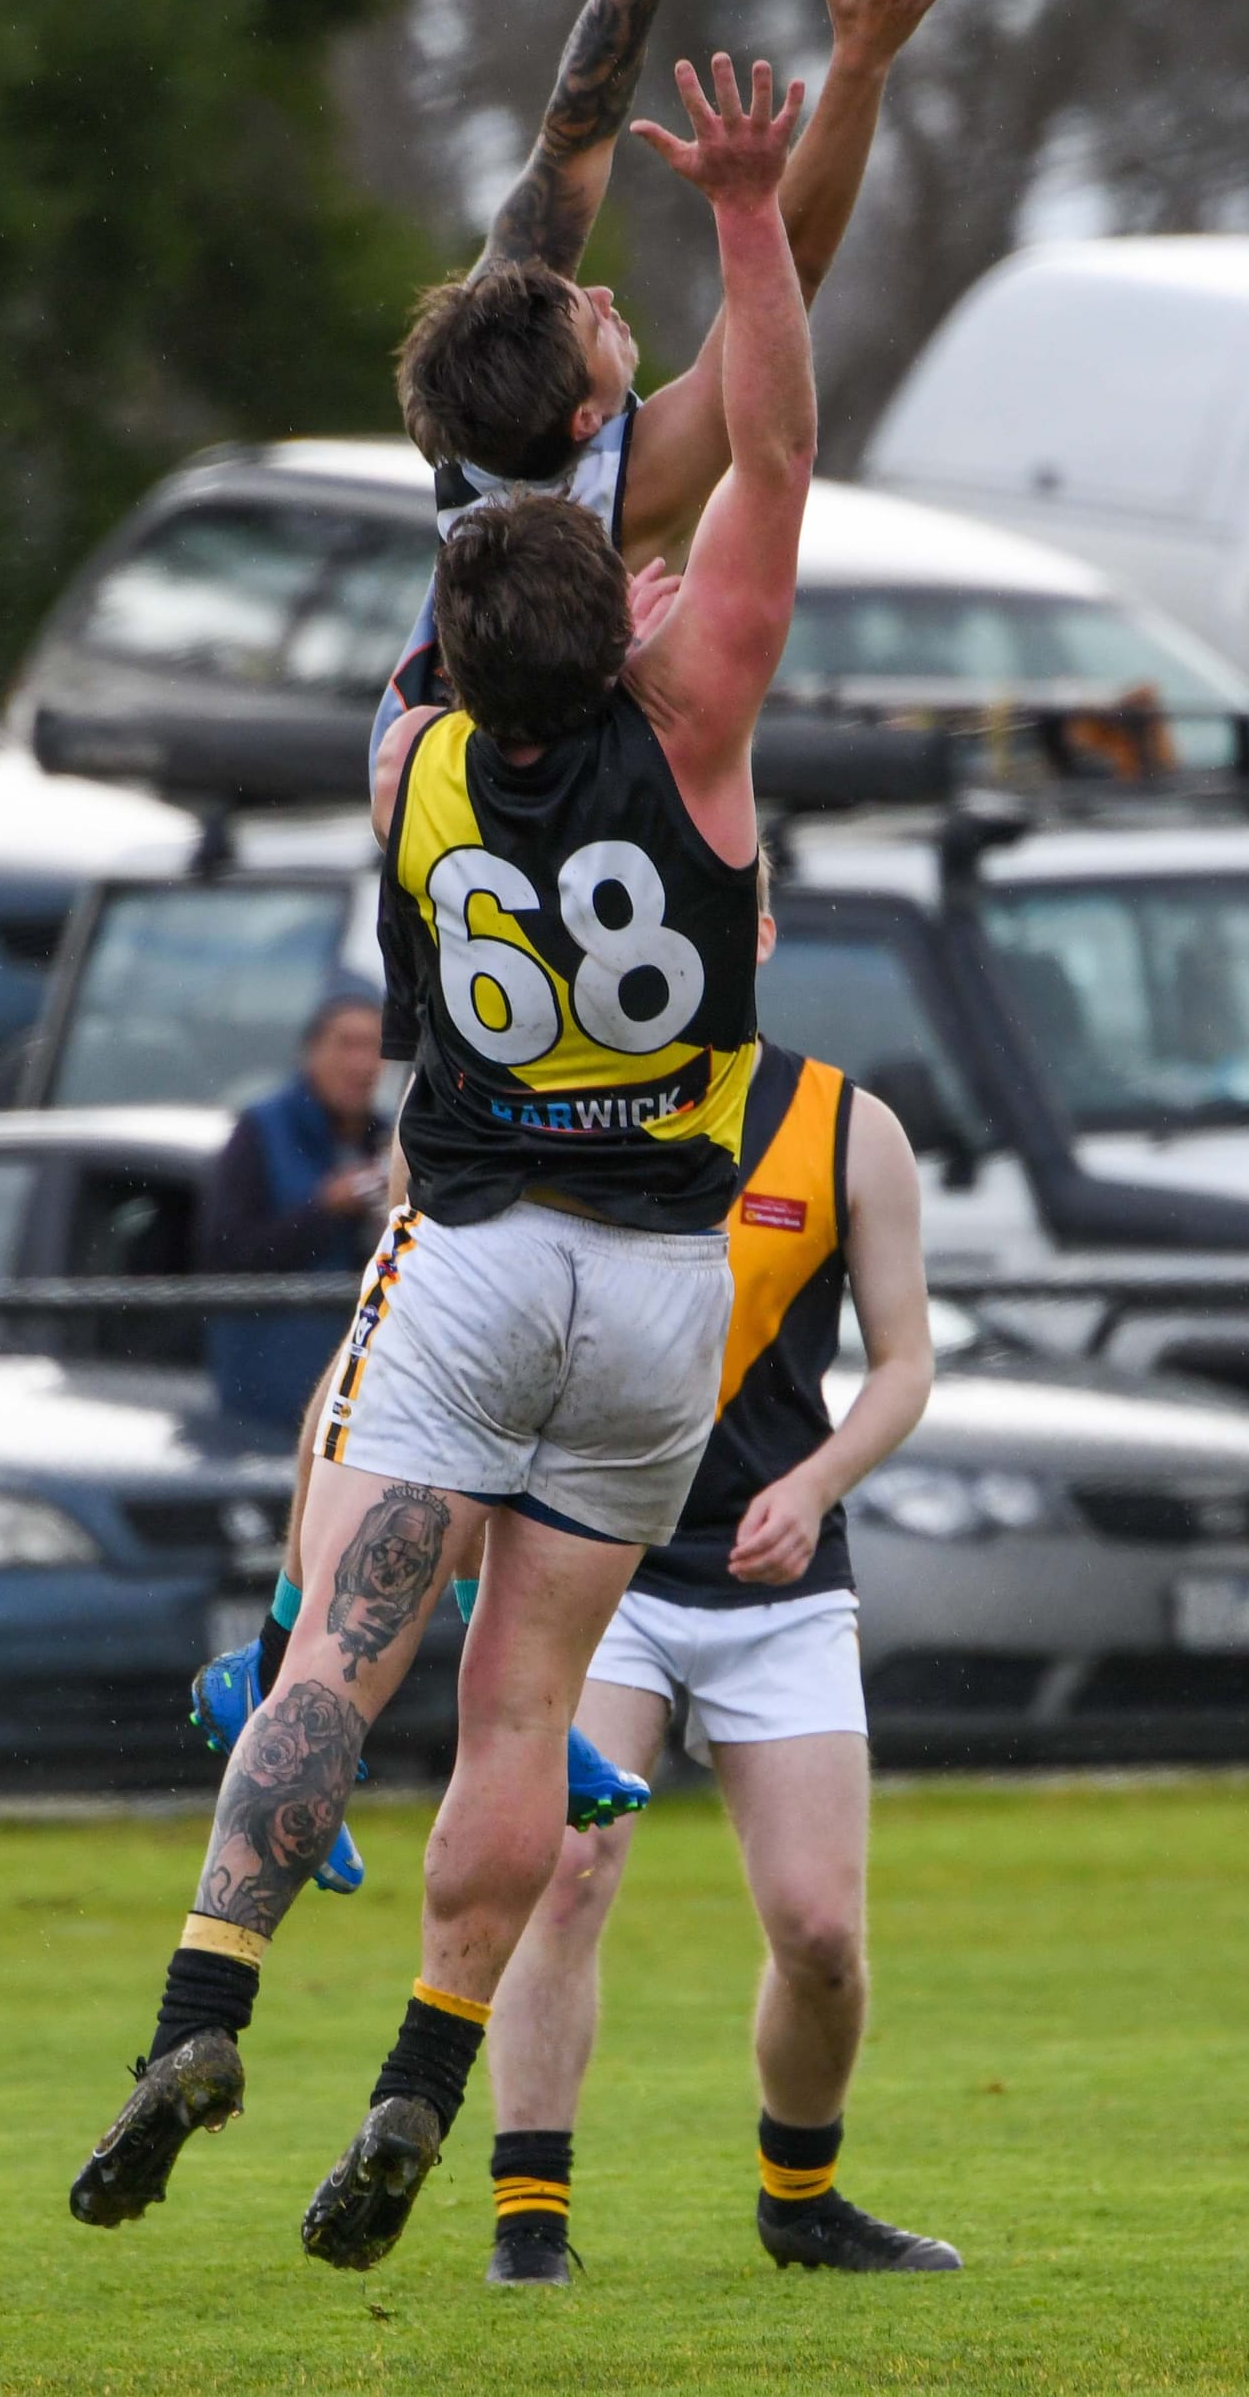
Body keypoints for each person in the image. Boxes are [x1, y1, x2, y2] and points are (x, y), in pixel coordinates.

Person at [69, 41, 816, 2274]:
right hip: (660, 1307)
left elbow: (509, 563)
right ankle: (417, 2081)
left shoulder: (404, 754)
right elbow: (768, 441)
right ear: (645, 627)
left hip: (471, 1258)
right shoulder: (699, 751)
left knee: (335, 1664)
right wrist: (755, 216)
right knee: (522, 1713)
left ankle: (203, 2012)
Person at [480, 914, 960, 2289]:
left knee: (819, 1933)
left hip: (778, 1583)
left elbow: (904, 1363)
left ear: (753, 936)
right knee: (566, 1871)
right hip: (594, 1568)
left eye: (728, 911)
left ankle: (800, 2199)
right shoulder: (549, 1106)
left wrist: (812, 1485)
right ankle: (531, 2225)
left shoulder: (844, 1126)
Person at [373, 0, 966, 755]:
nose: (600, 294)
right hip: (532, 817)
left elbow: (572, 135)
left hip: (419, 773)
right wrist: (859, 63)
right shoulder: (630, 496)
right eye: (590, 320)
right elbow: (793, 272)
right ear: (584, 420)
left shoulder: (476, 396)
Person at [198, 990, 390, 1435]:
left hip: (363, 1401)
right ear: (312, 1051)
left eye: (375, 1048)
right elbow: (226, 1252)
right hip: (268, 1398)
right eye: (347, 1044)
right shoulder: (261, 1132)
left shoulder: (388, 1140)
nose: (362, 1065)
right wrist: (325, 1211)